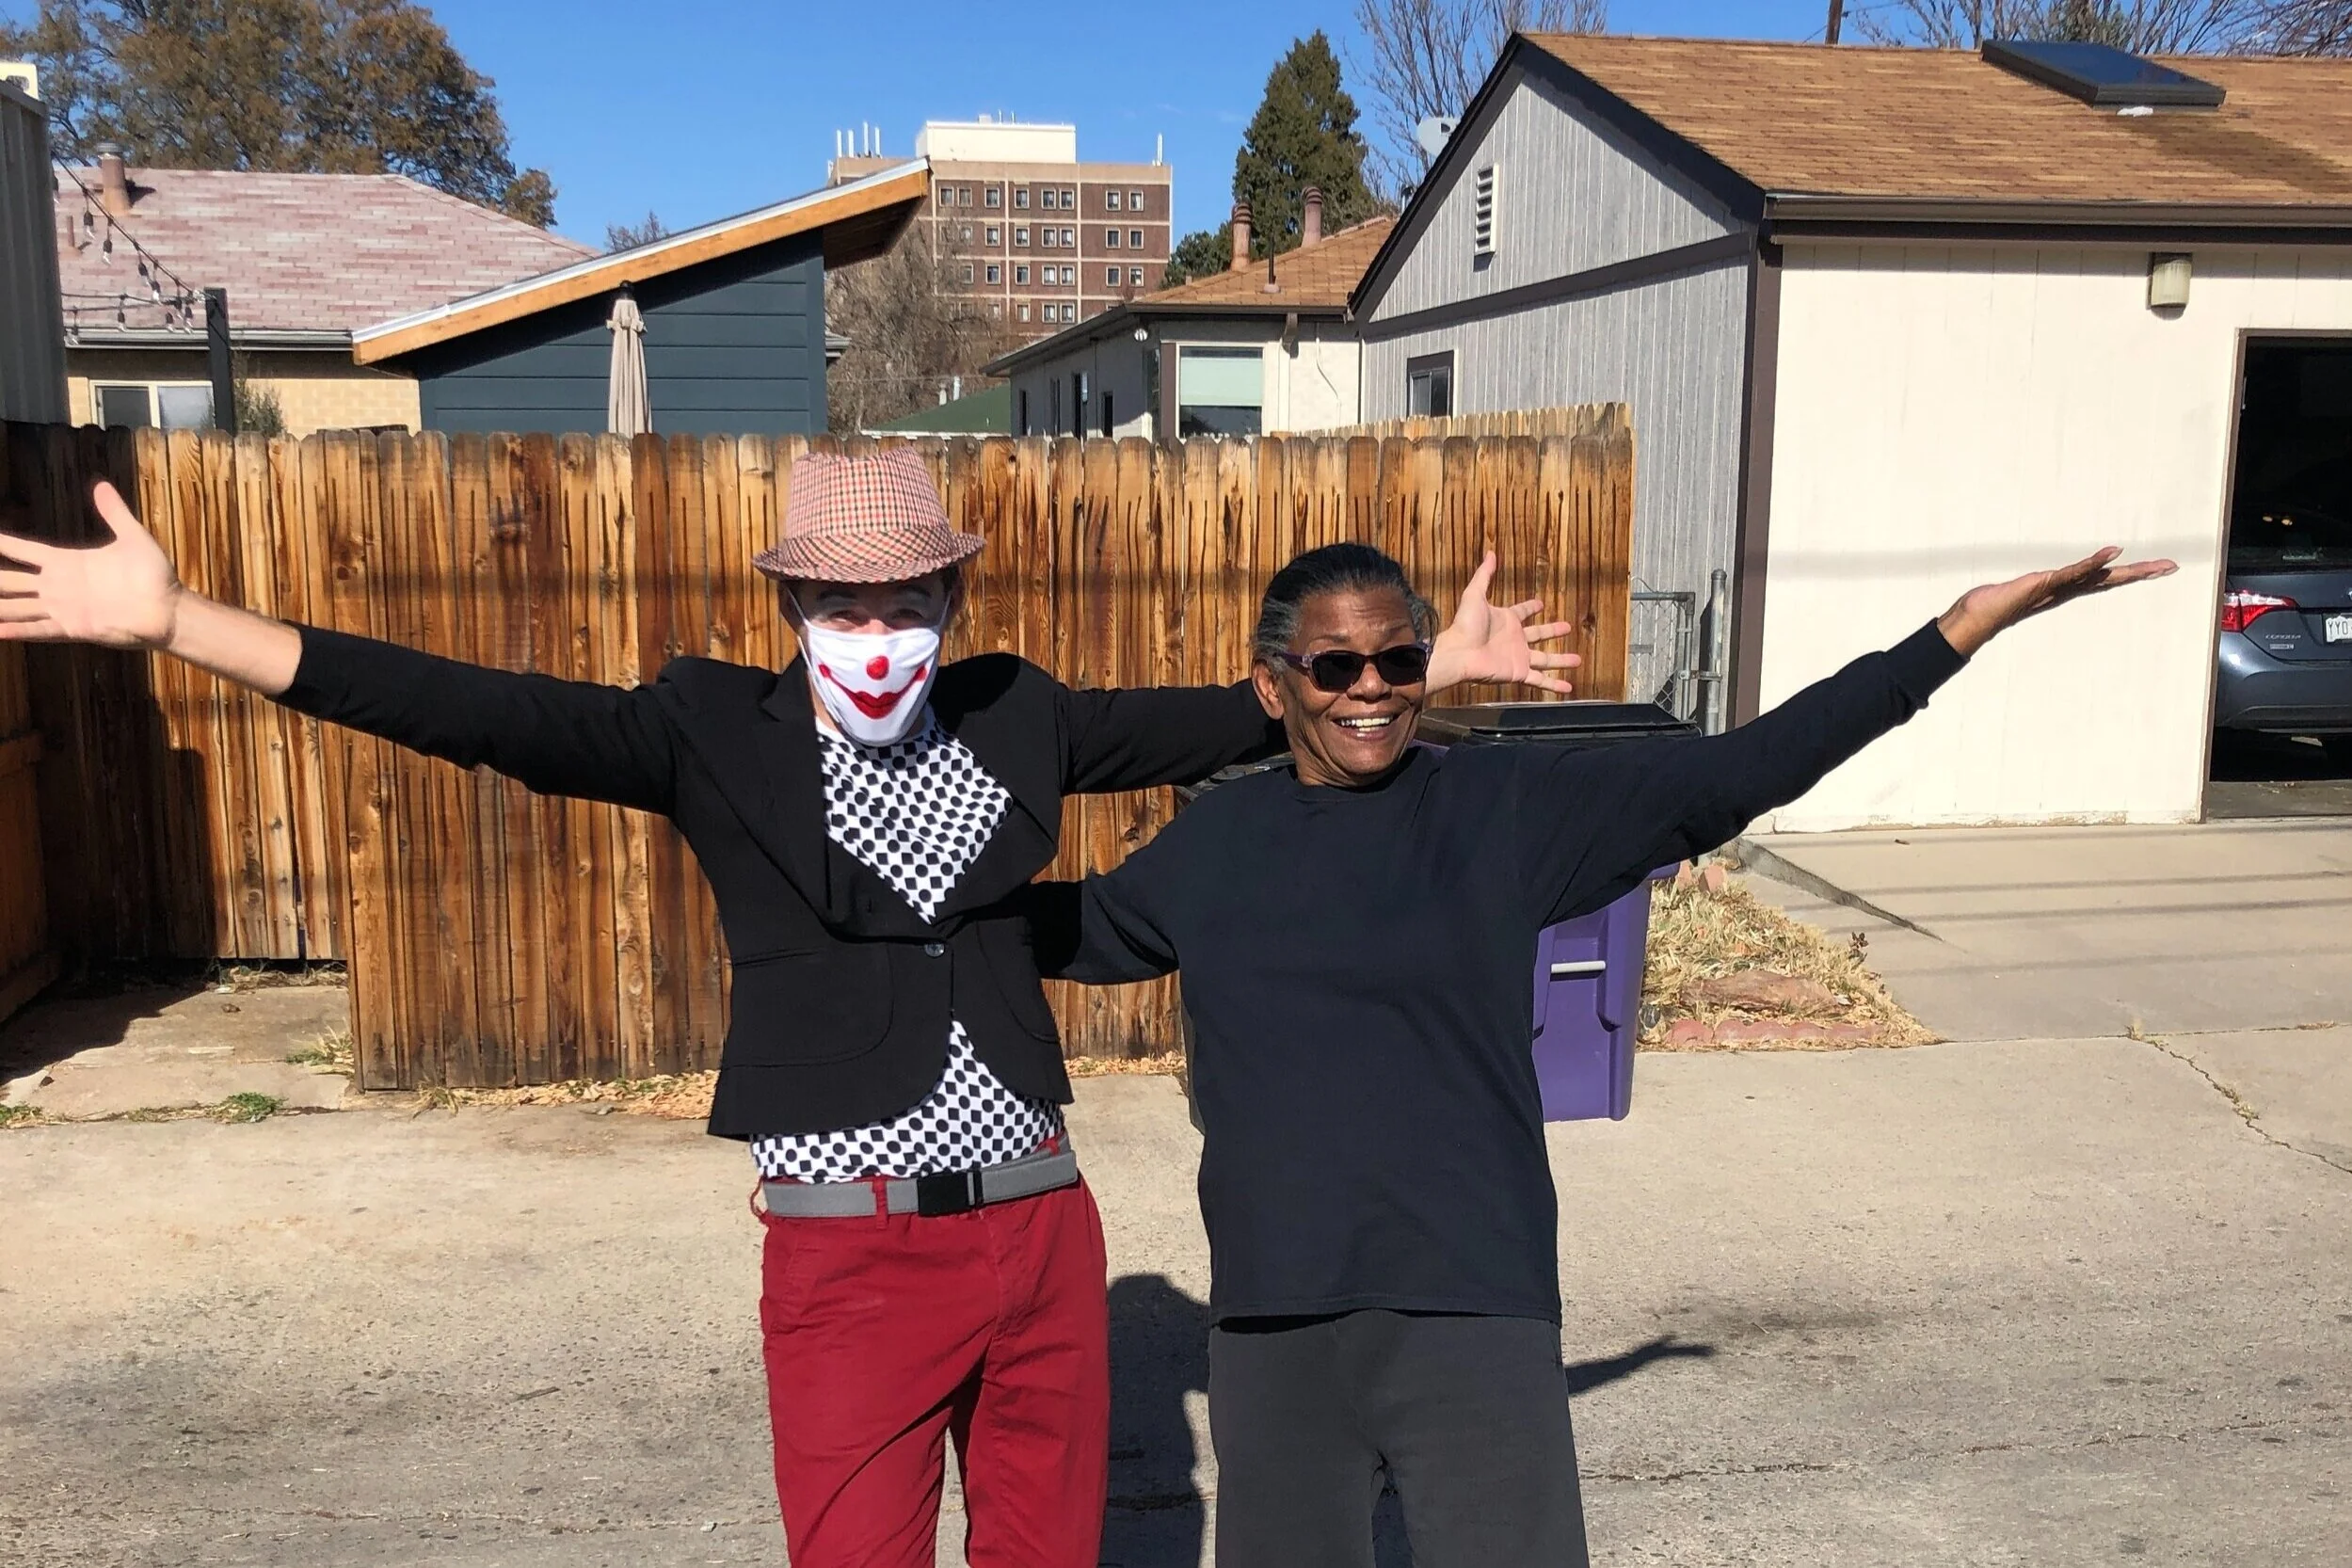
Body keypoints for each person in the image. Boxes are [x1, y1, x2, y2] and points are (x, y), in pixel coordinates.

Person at [0, 449, 1571, 1568]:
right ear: (792, 602)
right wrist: (184, 621)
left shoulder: (1014, 713)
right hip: (848, 1249)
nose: (874, 632)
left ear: (951, 592)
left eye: (905, 598)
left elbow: (1257, 704)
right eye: (837, 600)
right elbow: (471, 710)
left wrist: (1432, 669)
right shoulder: (713, 732)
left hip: (1039, 1226)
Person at [1042, 538, 2175, 1568]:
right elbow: (1041, 931)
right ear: (1273, 685)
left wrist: (1953, 634)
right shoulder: (1215, 845)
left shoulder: (1501, 808)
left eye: (1399, 658)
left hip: (1473, 1301)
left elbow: (1741, 772)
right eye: (1336, 666)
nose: (1371, 686)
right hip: (1275, 1316)